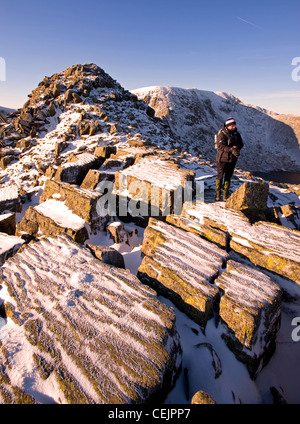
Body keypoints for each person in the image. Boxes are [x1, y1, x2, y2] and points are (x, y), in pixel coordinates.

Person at [215, 117, 243, 201]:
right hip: (222, 159)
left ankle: (225, 195)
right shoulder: (221, 133)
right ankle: (217, 194)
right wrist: (231, 149)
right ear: (228, 125)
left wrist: (236, 148)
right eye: (232, 125)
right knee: (220, 176)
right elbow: (220, 146)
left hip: (232, 159)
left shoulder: (236, 134)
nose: (234, 126)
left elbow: (241, 144)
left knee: (228, 177)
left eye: (234, 125)